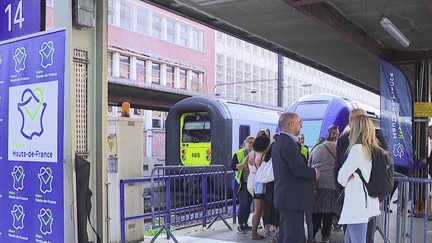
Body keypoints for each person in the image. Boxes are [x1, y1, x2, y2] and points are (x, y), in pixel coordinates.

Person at [334, 109, 388, 243]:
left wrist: (345, 178)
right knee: (351, 238)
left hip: (357, 203)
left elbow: (341, 177)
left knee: (357, 239)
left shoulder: (357, 149)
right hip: (367, 201)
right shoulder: (373, 148)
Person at [271, 113, 320, 243]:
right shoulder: (288, 144)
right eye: (299, 122)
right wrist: (314, 172)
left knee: (284, 234)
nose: (301, 125)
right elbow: (298, 170)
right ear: (291, 124)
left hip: (285, 197)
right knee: (294, 236)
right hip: (292, 199)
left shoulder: (279, 142)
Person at [309, 125, 340, 243]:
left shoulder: (317, 148)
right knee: (328, 213)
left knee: (316, 212)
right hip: (332, 185)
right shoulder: (339, 149)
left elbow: (310, 165)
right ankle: (326, 236)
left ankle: (311, 236)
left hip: (317, 184)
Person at [242, 133, 270, 240]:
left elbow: (244, 165)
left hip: (251, 180)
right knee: (258, 209)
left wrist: (252, 170)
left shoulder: (251, 154)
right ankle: (255, 233)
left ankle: (264, 228)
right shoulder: (263, 156)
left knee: (259, 208)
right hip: (260, 183)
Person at [231, 136, 255, 234]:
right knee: (243, 204)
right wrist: (244, 165)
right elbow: (233, 166)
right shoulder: (239, 154)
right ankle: (240, 225)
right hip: (242, 183)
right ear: (245, 143)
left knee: (249, 204)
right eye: (249, 142)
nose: (251, 144)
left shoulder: (255, 153)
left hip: (252, 183)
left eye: (253, 143)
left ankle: (245, 223)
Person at [263, 134, 280, 243]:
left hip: (270, 181)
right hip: (279, 180)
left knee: (269, 204)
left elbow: (266, 159)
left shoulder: (272, 146)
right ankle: (277, 234)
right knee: (277, 208)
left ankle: (272, 234)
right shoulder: (283, 146)